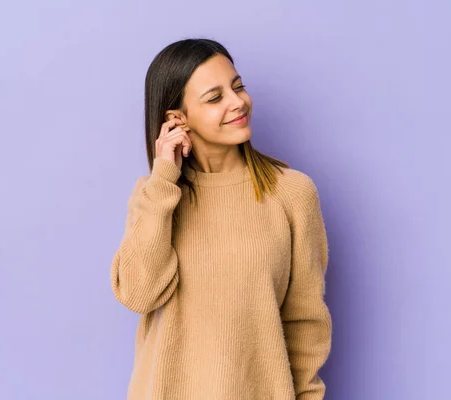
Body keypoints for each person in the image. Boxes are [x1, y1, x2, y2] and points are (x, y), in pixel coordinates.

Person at [110, 38, 332, 399]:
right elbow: (138, 293)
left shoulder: (292, 193)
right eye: (215, 98)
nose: (238, 102)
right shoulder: (155, 197)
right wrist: (164, 178)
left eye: (238, 86)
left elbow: (305, 324)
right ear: (177, 120)